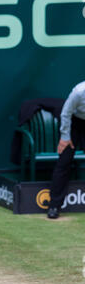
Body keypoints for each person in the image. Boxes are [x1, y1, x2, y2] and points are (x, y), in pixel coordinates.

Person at [47, 81, 85, 219]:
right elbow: (66, 113)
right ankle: (54, 206)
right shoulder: (79, 92)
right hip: (73, 123)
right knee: (64, 162)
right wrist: (65, 136)